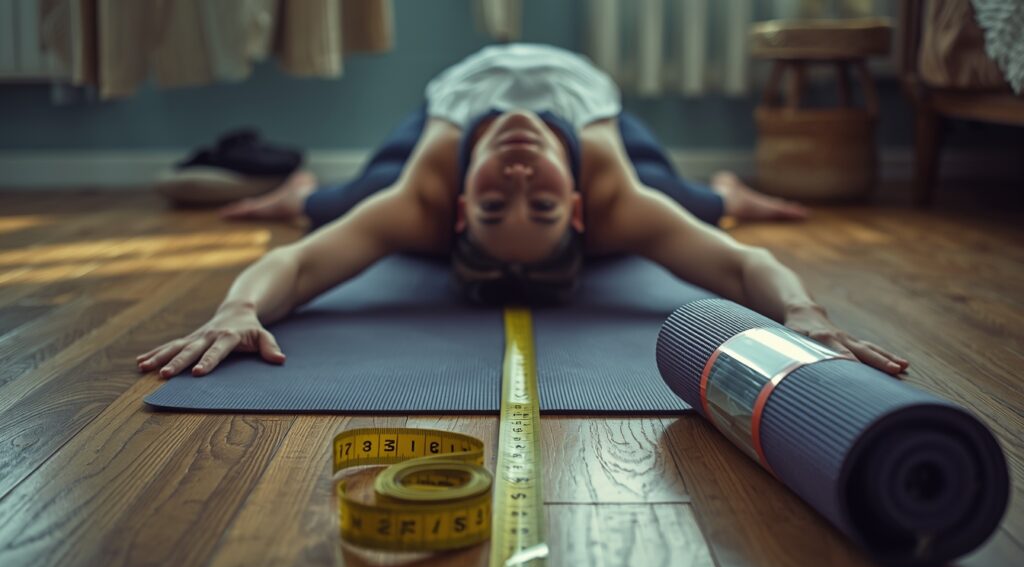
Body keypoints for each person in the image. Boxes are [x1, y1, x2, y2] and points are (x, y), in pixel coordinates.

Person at [137, 44, 909, 378]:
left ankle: (299, 190)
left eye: (496, 201)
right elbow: (741, 267)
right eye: (539, 204)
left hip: (464, 95)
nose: (514, 173)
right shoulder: (611, 197)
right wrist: (803, 314)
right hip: (579, 101)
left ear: (458, 208)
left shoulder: (424, 194)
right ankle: (727, 191)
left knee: (346, 204)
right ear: (575, 206)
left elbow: (301, 266)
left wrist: (238, 308)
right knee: (687, 205)